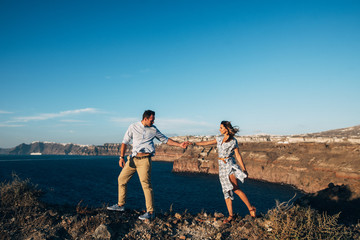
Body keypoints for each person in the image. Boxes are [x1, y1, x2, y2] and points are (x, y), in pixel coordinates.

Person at [107, 110, 190, 220]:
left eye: (154, 119)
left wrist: (179, 144)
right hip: (132, 159)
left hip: (144, 161)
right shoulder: (133, 127)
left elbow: (165, 140)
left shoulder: (153, 129)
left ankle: (150, 212)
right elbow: (125, 142)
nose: (153, 121)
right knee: (121, 179)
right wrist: (121, 157)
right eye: (151, 120)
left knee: (146, 185)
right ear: (145, 119)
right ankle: (120, 205)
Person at [190, 121, 256, 223]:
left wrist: (244, 169)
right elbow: (206, 143)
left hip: (229, 165)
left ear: (226, 128)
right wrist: (193, 143)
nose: (219, 129)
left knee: (235, 189)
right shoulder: (219, 138)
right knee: (226, 191)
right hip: (221, 168)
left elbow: (238, 155)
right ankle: (230, 215)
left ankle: (251, 208)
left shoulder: (233, 141)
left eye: (221, 127)